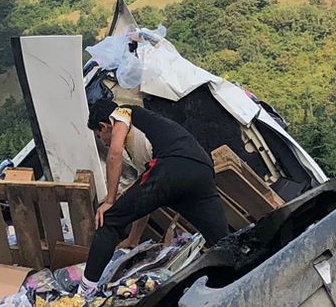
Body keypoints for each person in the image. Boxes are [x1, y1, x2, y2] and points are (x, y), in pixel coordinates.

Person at [84, 94, 230, 280]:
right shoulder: (143, 142)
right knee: (222, 241)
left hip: (172, 165)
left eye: (100, 136)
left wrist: (110, 201)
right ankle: (236, 276)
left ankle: (86, 288)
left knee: (109, 220)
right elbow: (143, 200)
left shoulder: (122, 112)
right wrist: (133, 239)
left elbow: (115, 153)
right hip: (201, 170)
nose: (104, 142)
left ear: (104, 126)